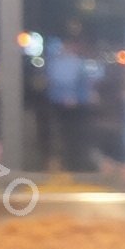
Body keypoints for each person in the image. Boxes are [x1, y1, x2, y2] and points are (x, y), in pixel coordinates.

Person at [44, 23, 95, 172]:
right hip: (66, 108)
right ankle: (70, 166)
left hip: (72, 107)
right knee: (69, 139)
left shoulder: (69, 62)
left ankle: (72, 166)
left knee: (72, 140)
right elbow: (61, 83)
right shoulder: (63, 62)